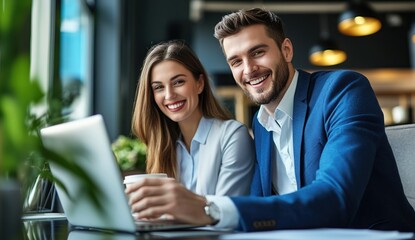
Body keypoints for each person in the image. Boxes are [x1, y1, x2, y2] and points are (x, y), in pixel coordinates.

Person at [126, 9, 415, 231]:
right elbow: (263, 208)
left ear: (286, 50)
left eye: (258, 52)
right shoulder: (261, 127)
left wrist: (208, 209)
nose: (249, 69)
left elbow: (335, 197)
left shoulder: (342, 91)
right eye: (236, 61)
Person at [130, 40, 254, 196]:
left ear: (199, 84)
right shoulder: (163, 146)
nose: (169, 95)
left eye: (178, 82)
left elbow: (224, 212)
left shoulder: (232, 136)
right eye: (159, 87)